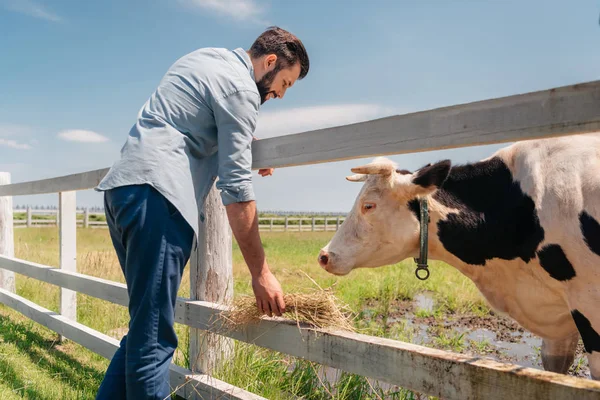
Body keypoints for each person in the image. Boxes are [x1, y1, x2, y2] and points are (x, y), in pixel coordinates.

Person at [94, 26, 310, 399]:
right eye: (285, 84)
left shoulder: (205, 58)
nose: (279, 95)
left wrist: (242, 139)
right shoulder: (243, 91)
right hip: (159, 200)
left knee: (144, 328)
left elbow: (191, 115)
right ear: (270, 62)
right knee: (155, 342)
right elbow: (237, 190)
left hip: (123, 190)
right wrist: (261, 272)